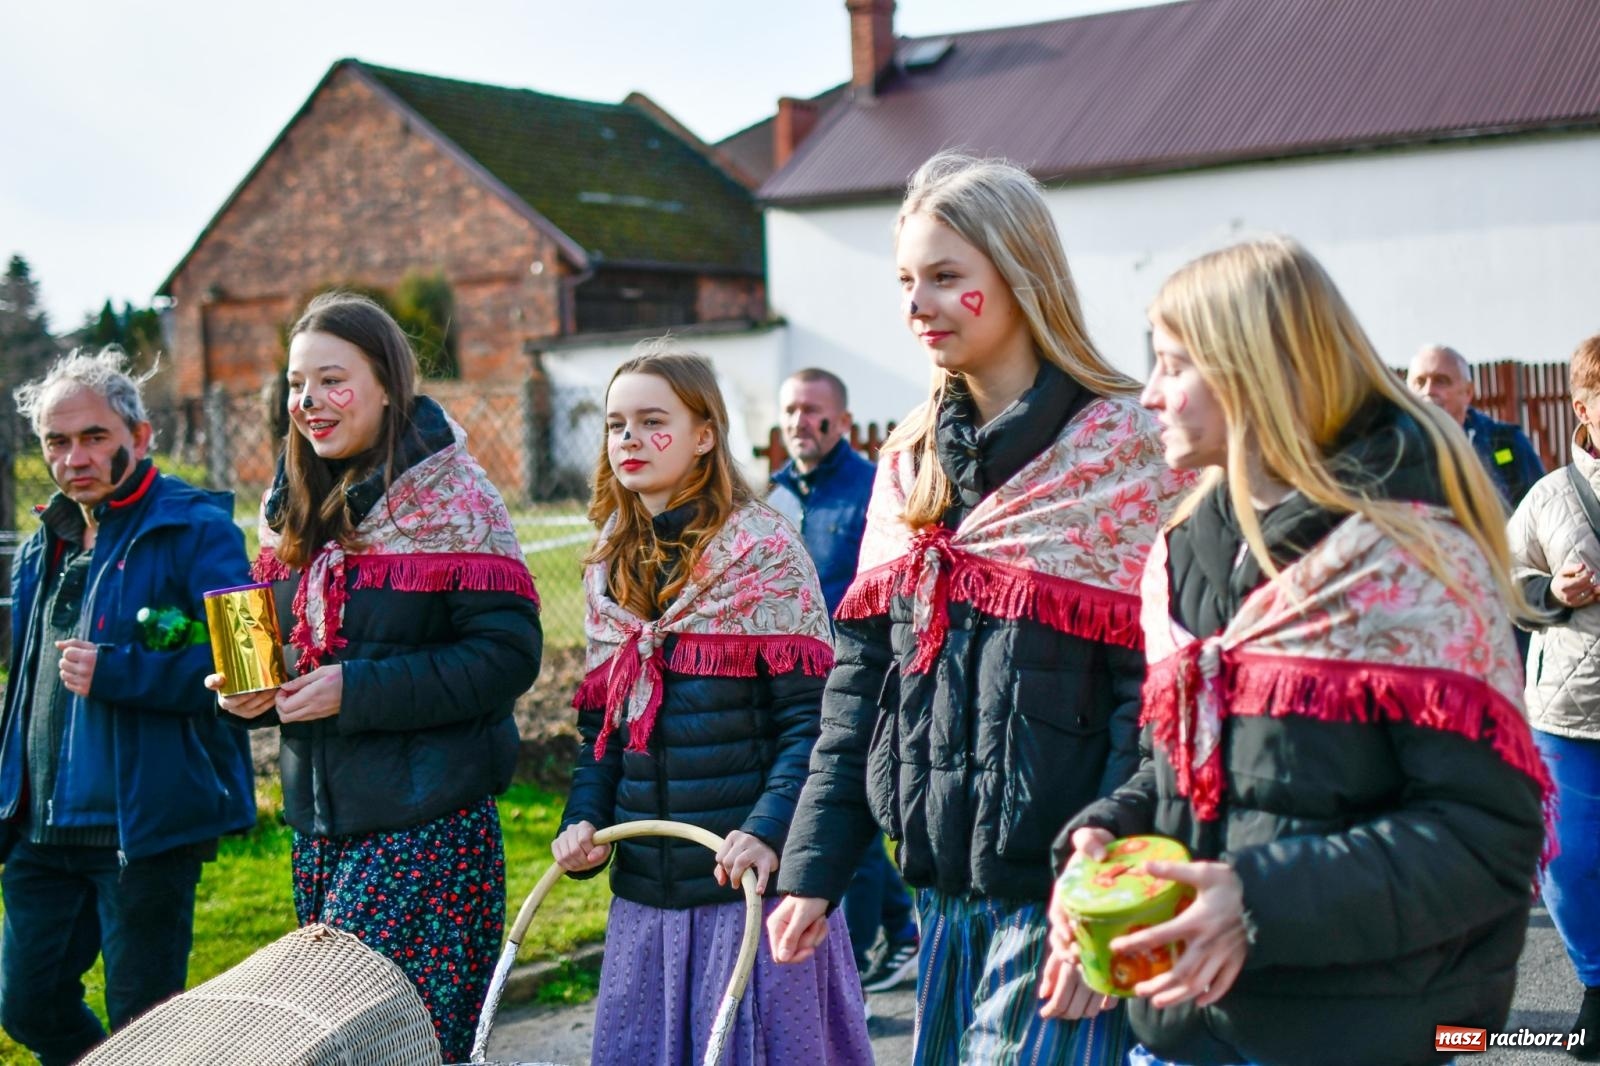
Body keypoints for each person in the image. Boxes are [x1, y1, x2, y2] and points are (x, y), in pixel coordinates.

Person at [1044, 237, 1552, 1066]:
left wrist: (1257, 902)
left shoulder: (1407, 559)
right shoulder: (1183, 551)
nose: (1150, 394)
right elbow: (1184, 771)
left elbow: (1486, 837)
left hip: (1359, 1035)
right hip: (1184, 1027)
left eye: (1172, 365)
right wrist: (1108, 840)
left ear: (1255, 372)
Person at [767, 152, 1193, 1066]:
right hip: (940, 899)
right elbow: (860, 687)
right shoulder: (908, 465)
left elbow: (1158, 700)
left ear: (1020, 273)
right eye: (906, 281)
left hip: (1064, 893)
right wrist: (815, 867)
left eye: (944, 276)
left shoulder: (1126, 452)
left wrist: (1107, 900)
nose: (917, 305)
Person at [208, 292, 542, 1060]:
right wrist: (249, 695)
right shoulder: (288, 504)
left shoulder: (457, 497)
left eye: (333, 380)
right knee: (353, 1047)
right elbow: (285, 650)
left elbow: (507, 657)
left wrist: (355, 690)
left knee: (392, 1044)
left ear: (389, 385)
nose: (308, 402)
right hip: (318, 830)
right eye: (297, 384)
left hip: (427, 826)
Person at [553, 347, 873, 1066]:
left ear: (704, 435)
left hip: (748, 893)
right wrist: (584, 822)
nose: (629, 439)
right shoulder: (608, 565)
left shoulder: (763, 551)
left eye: (652, 421)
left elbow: (813, 724)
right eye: (615, 425)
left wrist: (767, 831)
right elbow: (602, 729)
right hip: (646, 901)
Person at [0, 348, 256, 1065]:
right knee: (28, 1006)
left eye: (94, 437)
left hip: (143, 830)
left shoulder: (199, 527)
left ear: (140, 437)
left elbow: (252, 664)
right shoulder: (41, 544)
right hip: (40, 833)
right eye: (56, 441)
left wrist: (123, 672)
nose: (74, 458)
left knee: (145, 1031)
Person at [768, 367, 920, 993]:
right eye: (790, 410)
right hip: (796, 682)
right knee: (835, 809)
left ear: (844, 421)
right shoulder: (776, 494)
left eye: (812, 410)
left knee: (850, 803)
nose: (799, 422)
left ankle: (853, 963)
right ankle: (902, 930)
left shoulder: (870, 491)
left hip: (858, 679)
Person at [1507, 332, 1600, 1059]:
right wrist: (1552, 593)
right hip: (1570, 716)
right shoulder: (1548, 496)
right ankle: (1597, 985)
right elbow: (1507, 586)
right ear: (1582, 407)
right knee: (1567, 863)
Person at [1408, 343, 1544, 508]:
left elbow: (1540, 511)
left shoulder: (1506, 444)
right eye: (1419, 382)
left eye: (1441, 381)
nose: (1428, 390)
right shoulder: (1394, 449)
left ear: (1468, 392)